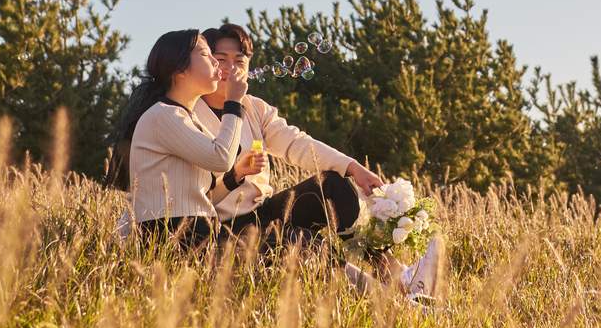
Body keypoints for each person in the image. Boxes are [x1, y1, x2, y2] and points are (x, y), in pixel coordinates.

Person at [198, 24, 443, 299]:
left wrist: (354, 168)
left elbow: (297, 143)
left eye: (240, 61)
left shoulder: (254, 107)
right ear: (206, 63)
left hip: (263, 210)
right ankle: (384, 297)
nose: (231, 68)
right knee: (300, 240)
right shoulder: (190, 113)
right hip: (224, 226)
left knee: (335, 185)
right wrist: (236, 173)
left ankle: (398, 274)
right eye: (221, 60)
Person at [110, 28, 248, 250]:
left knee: (295, 243)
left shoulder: (188, 119)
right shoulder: (163, 115)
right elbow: (221, 158)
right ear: (180, 69)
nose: (216, 61)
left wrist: (236, 176)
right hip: (172, 234)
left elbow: (203, 197)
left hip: (195, 230)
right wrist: (234, 102)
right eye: (206, 54)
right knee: (286, 247)